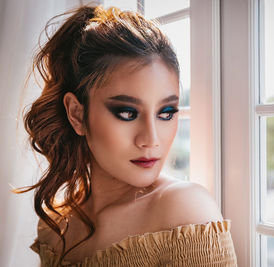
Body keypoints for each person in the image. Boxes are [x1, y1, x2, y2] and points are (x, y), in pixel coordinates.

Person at [17, 5, 237, 266]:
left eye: (166, 112)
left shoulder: (184, 212)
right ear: (77, 114)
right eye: (127, 113)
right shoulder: (55, 224)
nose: (151, 139)